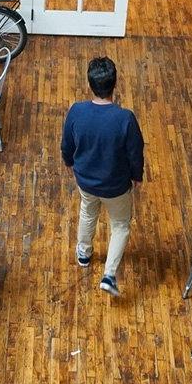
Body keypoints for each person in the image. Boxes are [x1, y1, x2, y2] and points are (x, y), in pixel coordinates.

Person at [61, 57, 144, 298]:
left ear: (90, 84)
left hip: (85, 182)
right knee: (120, 225)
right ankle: (109, 274)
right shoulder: (125, 118)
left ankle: (84, 254)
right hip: (116, 186)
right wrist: (137, 176)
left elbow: (67, 143)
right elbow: (135, 152)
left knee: (88, 213)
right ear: (114, 84)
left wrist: (69, 162)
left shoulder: (77, 111)